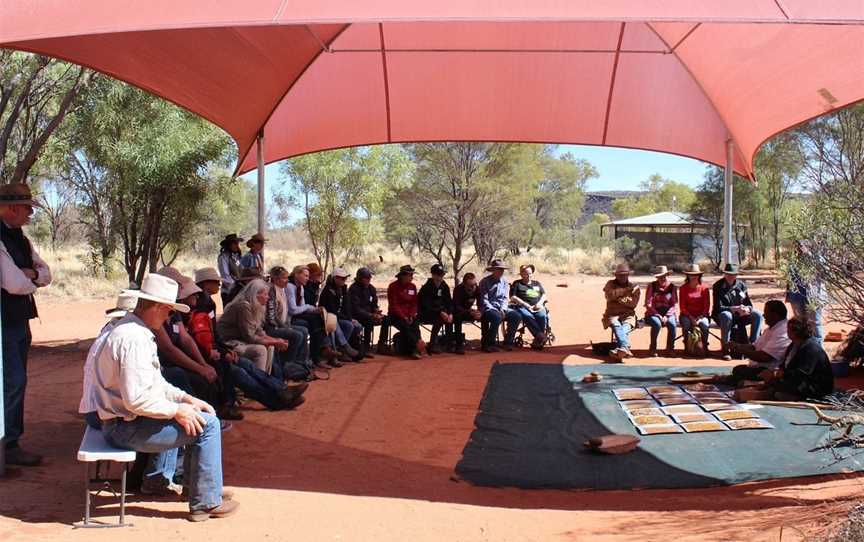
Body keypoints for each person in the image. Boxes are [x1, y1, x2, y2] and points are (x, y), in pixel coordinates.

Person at [90, 273, 240, 521]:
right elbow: (136, 400)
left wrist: (186, 399)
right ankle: (205, 502)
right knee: (209, 426)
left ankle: (201, 489)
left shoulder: (134, 330)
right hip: (123, 427)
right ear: (158, 307)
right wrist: (177, 410)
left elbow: (155, 382)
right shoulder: (134, 338)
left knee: (198, 417)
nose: (169, 316)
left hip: (121, 422)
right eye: (168, 311)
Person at [188, 268, 306, 411]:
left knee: (245, 365)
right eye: (216, 282)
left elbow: (214, 335)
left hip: (222, 347)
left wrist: (224, 350)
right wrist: (222, 351)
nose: (219, 285)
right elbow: (245, 336)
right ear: (205, 284)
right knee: (243, 367)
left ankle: (280, 391)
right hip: (227, 344)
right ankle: (278, 396)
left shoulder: (209, 303)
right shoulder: (236, 306)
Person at [0, 183, 52, 466]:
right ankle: (7, 445)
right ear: (12, 209)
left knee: (15, 382)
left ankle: (10, 443)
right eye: (27, 208)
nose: (30, 213)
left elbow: (45, 274)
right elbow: (14, 284)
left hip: (17, 321)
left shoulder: (20, 239)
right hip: (5, 323)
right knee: (12, 382)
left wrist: (29, 273)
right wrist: (30, 277)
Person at [219, 279, 311, 385]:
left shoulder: (255, 306)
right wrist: (275, 342)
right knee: (260, 350)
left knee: (270, 347)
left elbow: (259, 331)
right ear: (256, 294)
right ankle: (260, 385)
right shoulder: (243, 306)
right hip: (229, 343)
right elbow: (250, 337)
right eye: (265, 294)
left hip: (241, 340)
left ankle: (270, 381)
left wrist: (275, 340)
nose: (268, 297)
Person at [758, 317, 834, 401]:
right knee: (772, 385)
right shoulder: (793, 345)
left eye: (788, 329)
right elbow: (785, 366)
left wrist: (779, 376)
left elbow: (801, 373)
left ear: (794, 332)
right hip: (799, 381)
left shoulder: (810, 348)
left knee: (777, 392)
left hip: (815, 387)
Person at [727, 300, 791, 383]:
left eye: (766, 313)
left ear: (775, 315)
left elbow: (764, 357)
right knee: (738, 370)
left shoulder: (783, 331)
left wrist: (739, 349)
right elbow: (754, 346)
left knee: (739, 372)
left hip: (769, 370)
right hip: (759, 367)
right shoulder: (771, 328)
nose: (764, 315)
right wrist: (737, 345)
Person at [286, 264, 337, 367]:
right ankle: (316, 355)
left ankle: (320, 353)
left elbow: (303, 306)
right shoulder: (290, 286)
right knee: (313, 323)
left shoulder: (301, 287)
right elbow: (293, 310)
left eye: (308, 276)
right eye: (305, 276)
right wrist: (309, 307)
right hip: (289, 318)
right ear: (296, 275)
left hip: (299, 315)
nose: (307, 279)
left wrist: (316, 310)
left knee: (320, 319)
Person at [264, 266, 313, 368]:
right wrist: (285, 327)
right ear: (276, 279)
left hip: (281, 324)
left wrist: (286, 325)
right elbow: (271, 316)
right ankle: (286, 364)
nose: (287, 281)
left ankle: (301, 363)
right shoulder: (271, 290)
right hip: (272, 327)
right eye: (284, 278)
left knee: (303, 330)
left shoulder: (281, 289)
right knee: (297, 335)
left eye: (287, 278)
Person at [712, 263, 763, 360]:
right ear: (724, 274)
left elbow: (749, 304)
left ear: (736, 275)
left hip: (740, 316)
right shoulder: (718, 286)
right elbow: (718, 307)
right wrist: (733, 309)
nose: (731, 276)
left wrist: (747, 309)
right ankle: (725, 349)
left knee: (758, 315)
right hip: (723, 316)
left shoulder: (741, 285)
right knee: (726, 315)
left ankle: (753, 345)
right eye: (728, 274)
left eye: (733, 274)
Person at [319, 268, 364, 362]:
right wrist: (347, 318)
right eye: (342, 278)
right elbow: (331, 310)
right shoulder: (328, 290)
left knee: (352, 325)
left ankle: (341, 351)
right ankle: (344, 347)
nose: (344, 280)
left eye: (345, 278)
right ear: (335, 278)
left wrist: (349, 318)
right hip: (327, 317)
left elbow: (347, 306)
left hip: (338, 317)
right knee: (337, 324)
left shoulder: (343, 289)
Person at [786, 242, 825, 345]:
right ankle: (802, 351)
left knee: (814, 324)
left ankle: (818, 354)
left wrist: (808, 256)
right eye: (797, 245)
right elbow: (790, 277)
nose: (799, 247)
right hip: (796, 297)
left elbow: (824, 273)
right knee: (799, 325)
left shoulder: (817, 258)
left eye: (802, 244)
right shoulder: (793, 259)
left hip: (814, 297)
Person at [478, 259, 521, 353]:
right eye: (498, 269)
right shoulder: (484, 282)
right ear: (493, 270)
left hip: (501, 308)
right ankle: (490, 343)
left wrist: (503, 309)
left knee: (516, 316)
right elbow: (484, 300)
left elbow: (505, 298)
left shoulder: (504, 282)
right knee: (496, 317)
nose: (501, 272)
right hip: (488, 308)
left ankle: (508, 342)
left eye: (502, 270)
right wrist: (494, 309)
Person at [602, 263, 641, 362]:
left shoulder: (634, 287)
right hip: (612, 315)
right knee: (616, 324)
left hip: (628, 316)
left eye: (624, 275)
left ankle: (620, 349)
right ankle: (625, 346)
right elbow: (610, 296)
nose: (622, 277)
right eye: (620, 275)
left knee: (625, 327)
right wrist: (626, 291)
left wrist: (619, 298)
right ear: (616, 275)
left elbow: (633, 304)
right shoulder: (610, 284)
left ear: (628, 275)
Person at [348, 267, 388, 357]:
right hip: (357, 315)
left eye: (369, 277)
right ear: (359, 278)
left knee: (386, 319)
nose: (369, 279)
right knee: (369, 321)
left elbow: (374, 303)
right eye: (366, 278)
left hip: (370, 314)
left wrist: (376, 311)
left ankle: (381, 345)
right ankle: (366, 347)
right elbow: (355, 308)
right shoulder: (353, 289)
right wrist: (370, 315)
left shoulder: (371, 288)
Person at [387, 265, 424, 359]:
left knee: (415, 325)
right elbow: (394, 305)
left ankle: (417, 345)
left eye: (412, 275)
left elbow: (414, 303)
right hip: (396, 315)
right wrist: (403, 316)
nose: (412, 277)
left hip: (409, 315)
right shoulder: (393, 287)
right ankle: (416, 347)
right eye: (410, 275)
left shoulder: (413, 287)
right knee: (406, 327)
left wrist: (411, 315)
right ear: (403, 276)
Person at [509, 264, 548, 350]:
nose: (529, 275)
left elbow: (544, 295)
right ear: (521, 274)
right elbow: (512, 297)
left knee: (541, 315)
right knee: (527, 315)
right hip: (522, 306)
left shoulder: (536, 283)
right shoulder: (517, 283)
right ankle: (540, 336)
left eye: (530, 273)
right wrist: (525, 304)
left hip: (537, 306)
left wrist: (540, 304)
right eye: (526, 273)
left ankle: (537, 340)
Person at [418, 263, 454, 354]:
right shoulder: (426, 288)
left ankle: (449, 343)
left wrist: (450, 313)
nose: (440, 277)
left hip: (441, 312)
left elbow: (449, 302)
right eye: (438, 275)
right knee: (439, 319)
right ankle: (432, 344)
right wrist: (440, 312)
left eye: (442, 275)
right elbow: (426, 305)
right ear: (433, 275)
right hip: (426, 313)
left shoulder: (444, 286)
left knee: (450, 319)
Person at [644, 265, 678, 357]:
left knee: (672, 324)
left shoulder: (672, 287)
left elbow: (674, 304)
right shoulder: (652, 286)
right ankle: (653, 348)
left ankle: (670, 348)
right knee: (657, 324)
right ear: (656, 277)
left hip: (668, 313)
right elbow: (648, 303)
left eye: (664, 276)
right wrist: (657, 315)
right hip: (653, 312)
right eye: (660, 277)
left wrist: (667, 315)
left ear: (667, 275)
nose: (662, 278)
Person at [678, 264, 711, 355]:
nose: (693, 276)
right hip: (687, 315)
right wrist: (691, 317)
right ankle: (687, 346)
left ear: (699, 275)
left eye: (695, 274)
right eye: (691, 274)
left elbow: (707, 306)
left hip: (702, 315)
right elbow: (682, 307)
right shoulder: (683, 288)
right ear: (687, 276)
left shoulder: (704, 288)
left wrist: (700, 317)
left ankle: (704, 346)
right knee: (686, 324)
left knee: (704, 324)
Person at [452, 273, 482, 355]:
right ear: (464, 284)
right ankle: (459, 345)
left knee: (485, 316)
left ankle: (486, 343)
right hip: (459, 312)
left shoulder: (477, 289)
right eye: (470, 285)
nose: (473, 287)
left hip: (470, 312)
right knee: (457, 317)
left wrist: (479, 312)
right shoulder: (458, 289)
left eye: (474, 284)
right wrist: (470, 312)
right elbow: (456, 306)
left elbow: (481, 304)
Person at [216, 233, 244, 306]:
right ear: (228, 245)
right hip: (229, 292)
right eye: (234, 243)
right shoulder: (223, 257)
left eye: (237, 243)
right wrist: (235, 287)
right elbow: (225, 276)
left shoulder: (237, 256)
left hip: (239, 290)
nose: (237, 245)